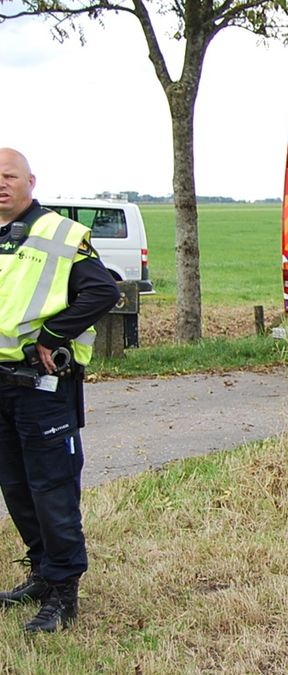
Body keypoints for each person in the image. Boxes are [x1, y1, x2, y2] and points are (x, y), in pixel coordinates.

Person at [0, 148, 119, 633]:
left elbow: (103, 291)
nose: (1, 184)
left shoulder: (62, 234)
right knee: (16, 487)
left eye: (9, 176)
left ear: (30, 180)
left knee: (51, 489)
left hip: (41, 387)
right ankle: (42, 575)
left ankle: (64, 594)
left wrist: (52, 336)